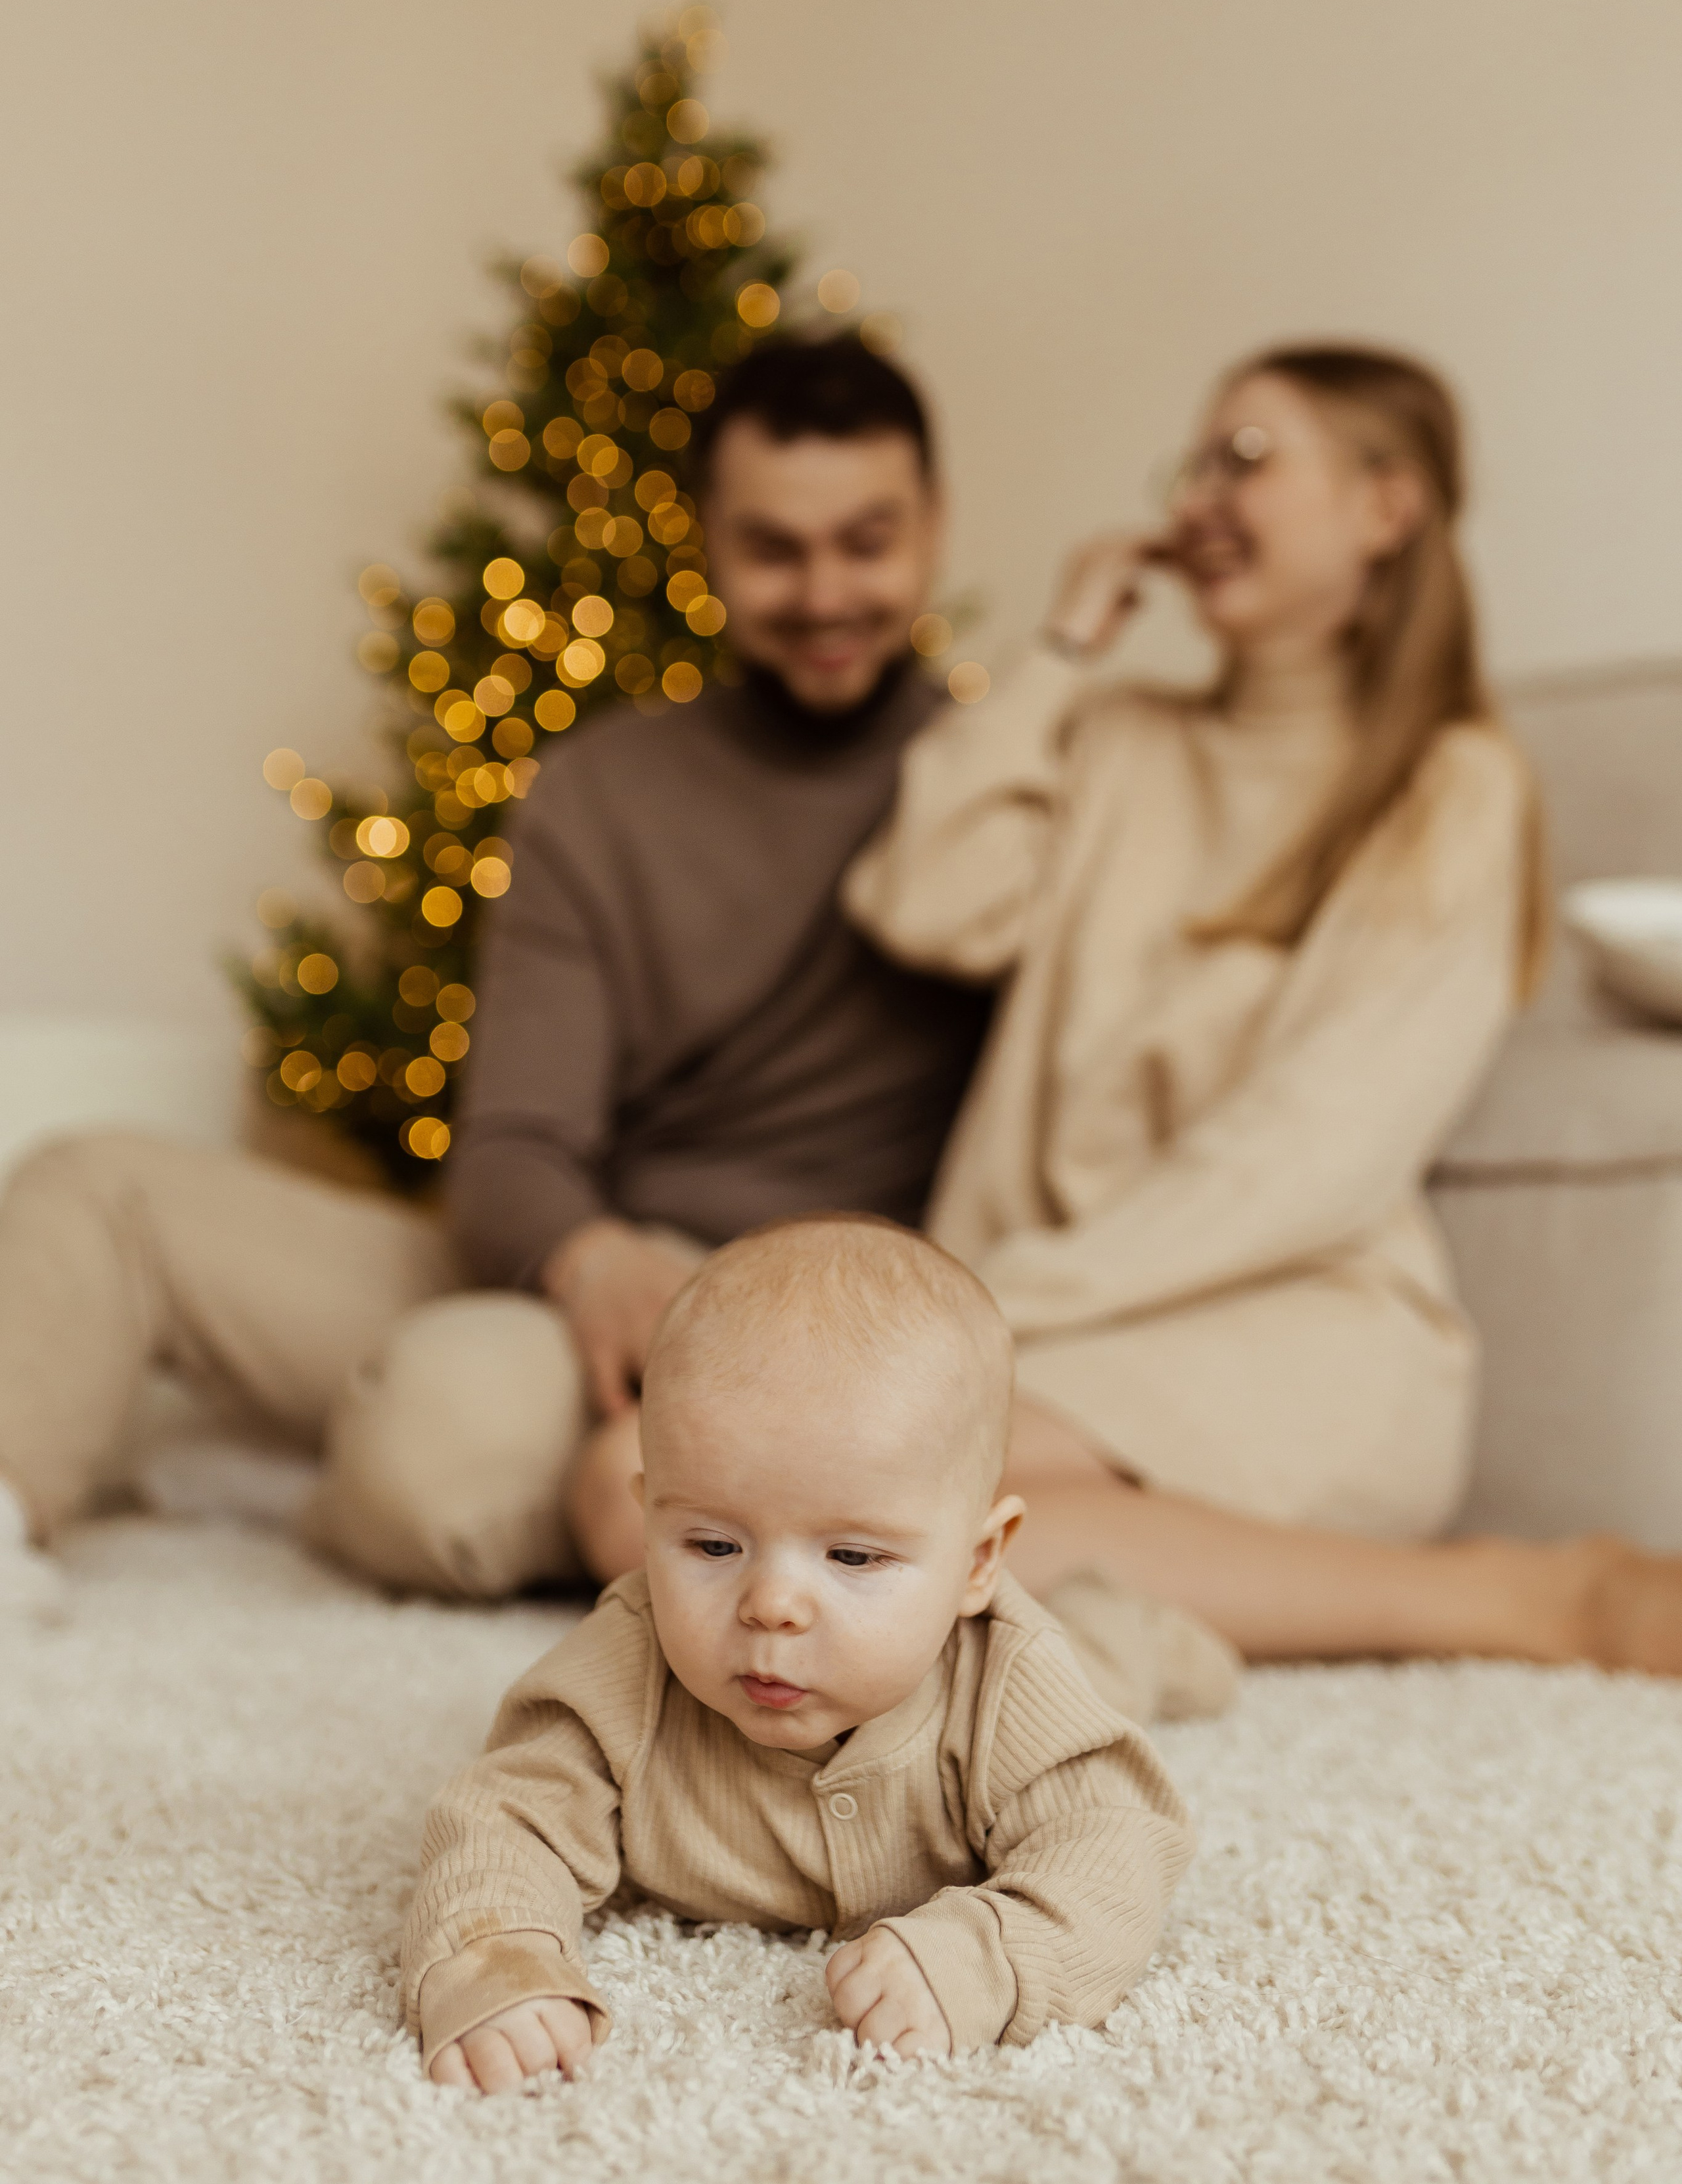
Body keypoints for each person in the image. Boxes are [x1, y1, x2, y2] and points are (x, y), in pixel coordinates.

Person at [0, 339, 990, 1613]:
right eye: (774, 549)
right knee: (94, 1186)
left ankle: (309, 1472)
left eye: (866, 542)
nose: (825, 592)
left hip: (787, 1333)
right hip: (569, 1277)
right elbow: (515, 1147)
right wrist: (591, 1259)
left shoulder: (1001, 793)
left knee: (437, 1439)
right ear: (705, 540)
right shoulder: (599, 788)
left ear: (933, 525)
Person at [844, 343, 1682, 1676]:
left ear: (1384, 506)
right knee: (653, 1489)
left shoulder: (1448, 783)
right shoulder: (1119, 737)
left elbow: (1305, 1155)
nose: (1197, 499)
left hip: (1288, 1325)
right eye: (1189, 466)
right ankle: (1130, 1619)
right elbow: (922, 898)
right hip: (1061, 1322)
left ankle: (1531, 1603)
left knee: (811, 1512)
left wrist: (977, 1312)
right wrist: (1063, 649)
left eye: (1243, 457)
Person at [404, 1216, 1194, 2094]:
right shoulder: (624, 1667)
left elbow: (1112, 1846)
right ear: (650, 1518)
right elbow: (507, 1815)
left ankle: (1129, 1620)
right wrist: (495, 1957)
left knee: (1103, 1660)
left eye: (852, 1556)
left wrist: (987, 1956)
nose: (771, 1604)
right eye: (712, 1545)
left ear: (978, 1561)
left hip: (1068, 1658)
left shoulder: (1009, 1680)